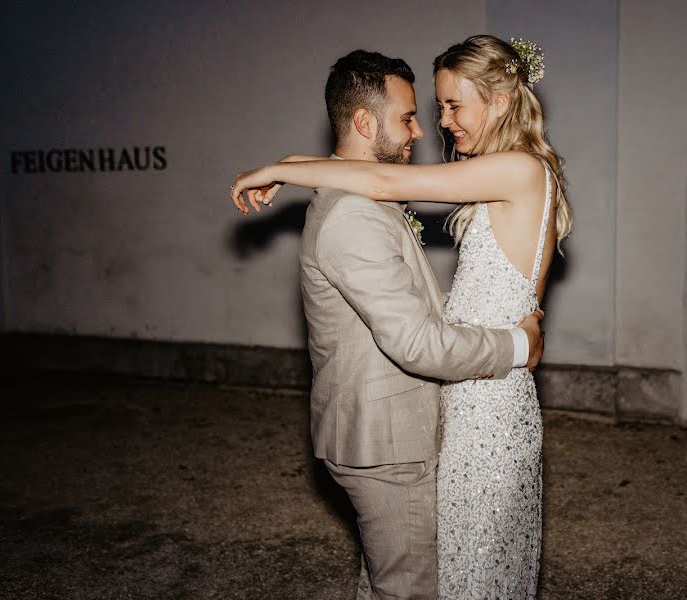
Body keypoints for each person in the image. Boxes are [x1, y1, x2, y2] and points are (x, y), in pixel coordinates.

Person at [231, 48, 545, 600]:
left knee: (443, 572)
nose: (431, 125)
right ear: (363, 122)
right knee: (413, 582)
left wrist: (287, 166)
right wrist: (518, 342)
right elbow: (374, 183)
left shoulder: (515, 168)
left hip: (476, 403)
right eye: (415, 114)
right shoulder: (353, 212)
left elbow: (379, 180)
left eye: (451, 104)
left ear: (498, 101)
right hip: (408, 422)